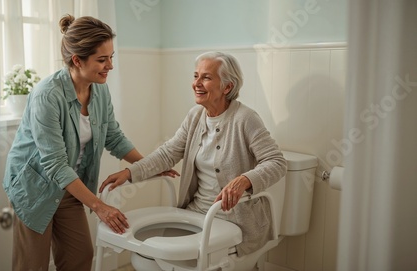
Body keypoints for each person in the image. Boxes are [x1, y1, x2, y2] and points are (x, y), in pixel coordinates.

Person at [100, 51, 287, 257]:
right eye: (196, 76)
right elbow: (168, 153)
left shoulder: (245, 118)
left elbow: (276, 162)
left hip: (233, 219)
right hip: (196, 213)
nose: (197, 83)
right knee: (154, 254)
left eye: (206, 77)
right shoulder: (195, 116)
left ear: (227, 87)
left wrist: (244, 180)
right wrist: (130, 172)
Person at [3, 15, 146, 271]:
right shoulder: (47, 95)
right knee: (32, 264)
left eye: (111, 57)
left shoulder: (99, 89)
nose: (110, 66)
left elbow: (113, 136)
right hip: (34, 187)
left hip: (70, 184)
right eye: (102, 60)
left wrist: (148, 165)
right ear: (78, 60)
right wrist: (100, 206)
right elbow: (55, 163)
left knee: (79, 256)